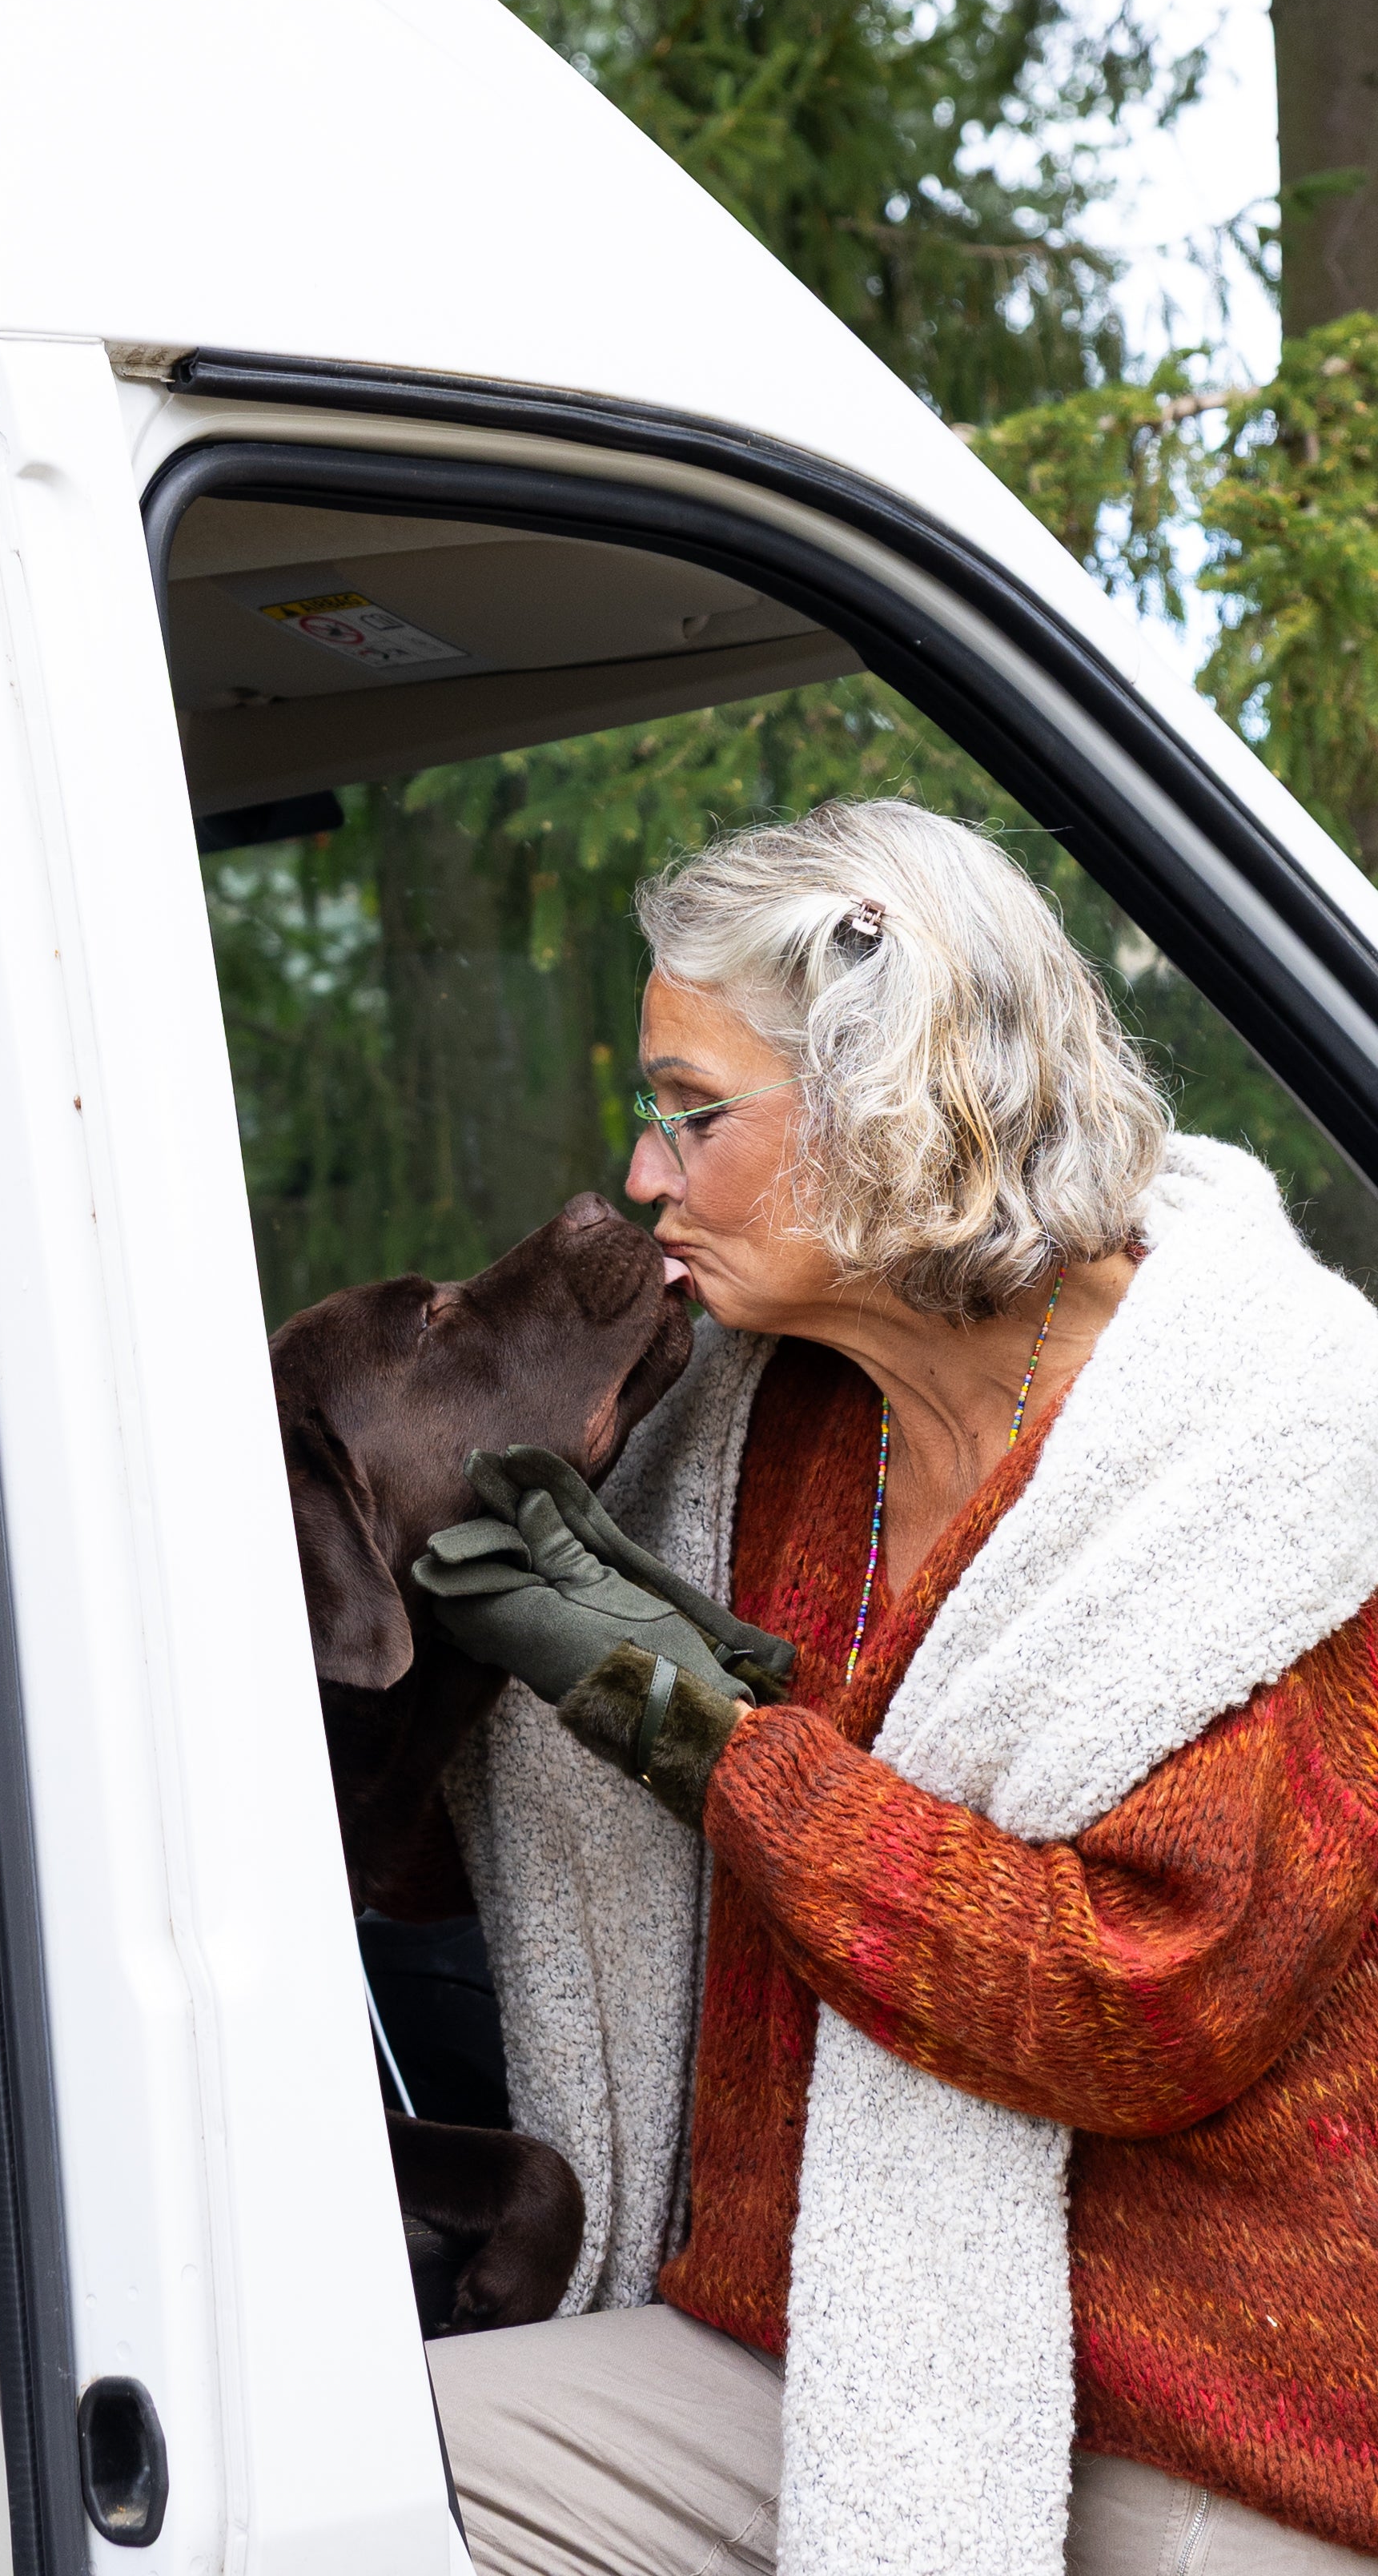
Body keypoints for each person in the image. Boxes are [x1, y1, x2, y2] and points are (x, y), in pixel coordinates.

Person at [416, 799, 1378, 2576]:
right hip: (811, 2348)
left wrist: (701, 1734)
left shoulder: (1284, 1452)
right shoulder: (768, 1409)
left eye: (693, 1117)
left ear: (892, 1099)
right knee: (327, 2476)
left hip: (1202, 2426)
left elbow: (1136, 2004)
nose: (642, 1178)